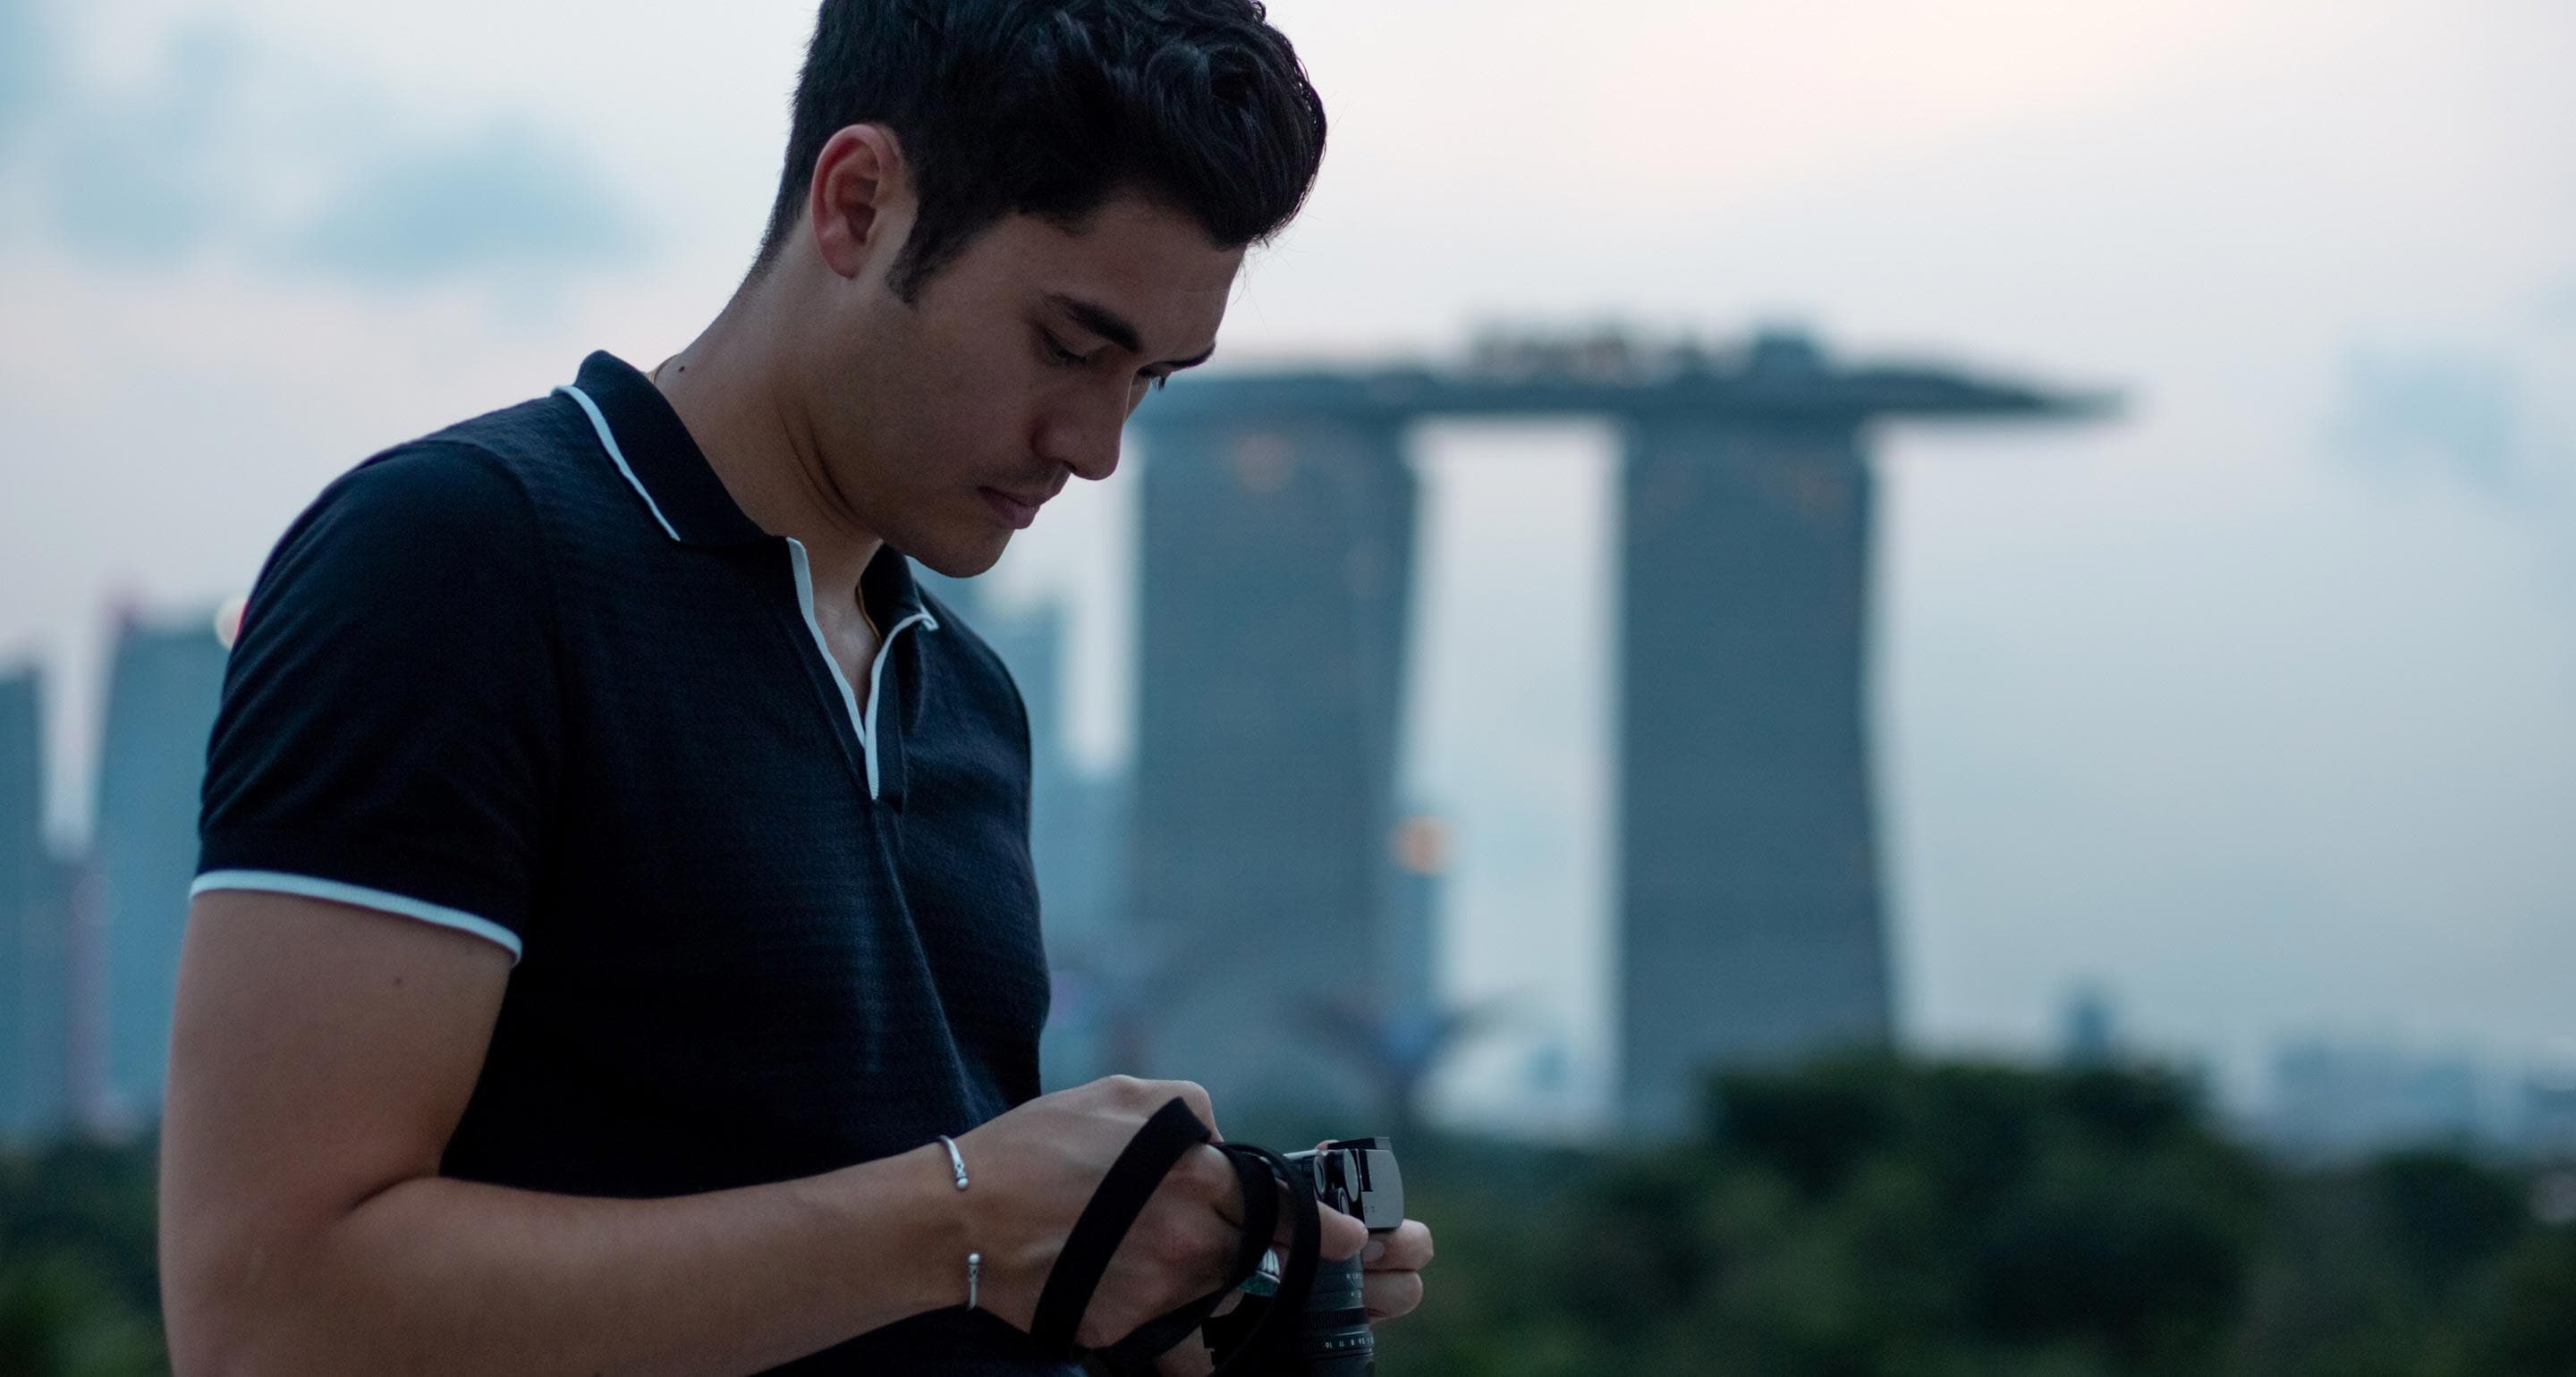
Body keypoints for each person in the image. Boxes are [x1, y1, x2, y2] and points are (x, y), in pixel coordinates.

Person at [155, 2, 1433, 1372]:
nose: (1096, 445)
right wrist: (966, 1219)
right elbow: (266, 1312)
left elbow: (884, 1296)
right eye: (1068, 345)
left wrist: (1139, 1293)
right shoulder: (459, 563)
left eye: (1151, 380)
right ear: (860, 203)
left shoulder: (965, 701)